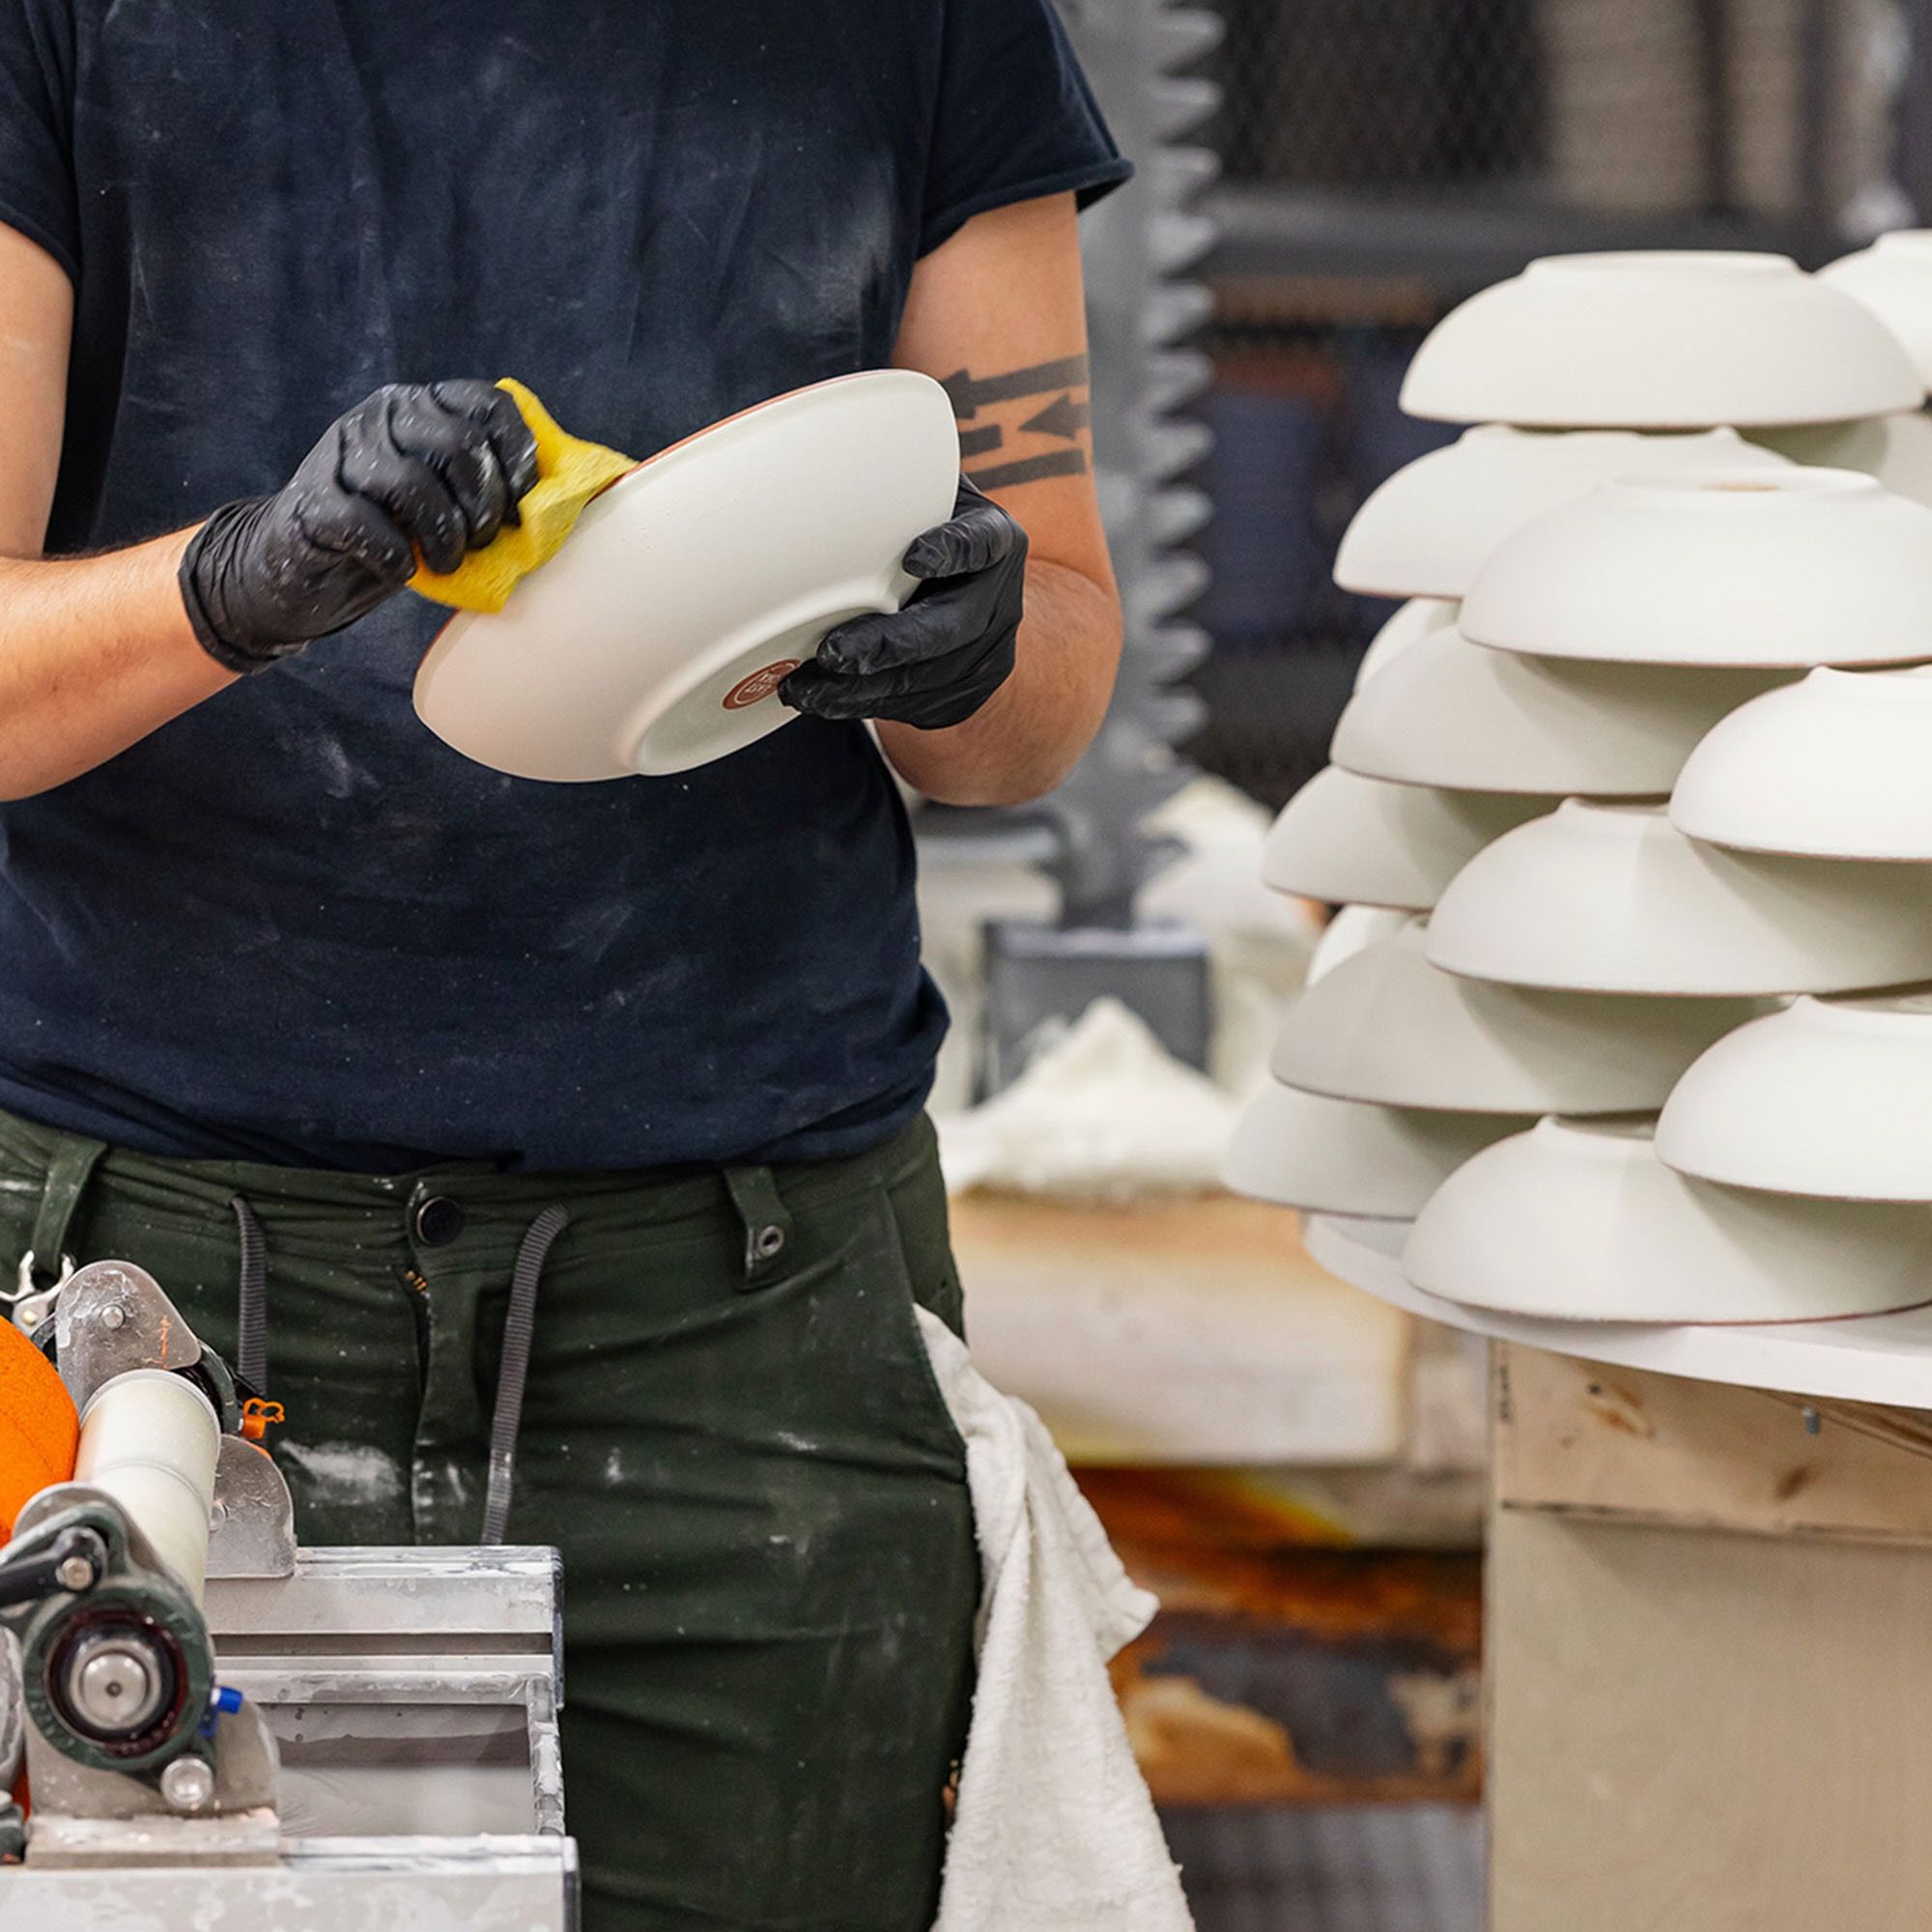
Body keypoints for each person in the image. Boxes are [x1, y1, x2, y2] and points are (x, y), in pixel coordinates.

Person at [0, 4, 1129, 1927]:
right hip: (168, 1316)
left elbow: (1032, 707)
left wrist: (976, 649)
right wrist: (234, 584)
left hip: (742, 1324)